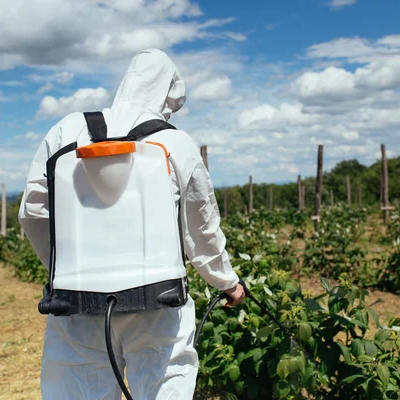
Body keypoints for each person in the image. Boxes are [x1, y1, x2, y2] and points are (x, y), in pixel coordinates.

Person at [18, 48, 245, 400]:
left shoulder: (66, 129)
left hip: (77, 302)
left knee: (79, 388)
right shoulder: (174, 142)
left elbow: (33, 212)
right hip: (158, 300)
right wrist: (226, 281)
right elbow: (201, 228)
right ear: (166, 94)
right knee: (163, 384)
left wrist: (63, 272)